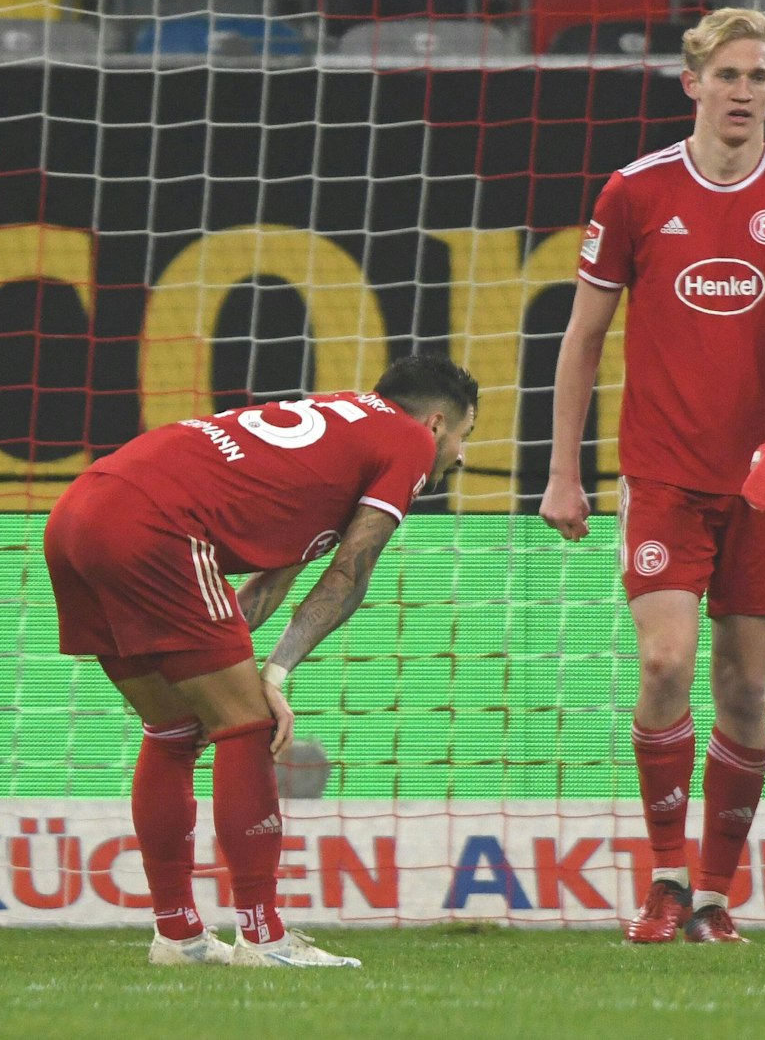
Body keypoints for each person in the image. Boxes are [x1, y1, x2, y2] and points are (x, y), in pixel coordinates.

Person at [539, 7, 765, 946]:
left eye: (760, 76)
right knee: (665, 662)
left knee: (745, 692)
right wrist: (562, 470)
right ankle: (665, 877)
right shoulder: (635, 191)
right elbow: (583, 337)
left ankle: (713, 893)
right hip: (664, 473)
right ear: (693, 83)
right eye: (728, 75)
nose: (745, 91)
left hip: (764, 483)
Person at [46, 354, 479, 967]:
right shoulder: (408, 441)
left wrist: (250, 670)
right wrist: (268, 679)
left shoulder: (339, 427)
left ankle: (178, 936)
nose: (460, 455)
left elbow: (267, 584)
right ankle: (263, 937)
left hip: (78, 513)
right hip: (155, 524)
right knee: (248, 726)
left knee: (173, 729)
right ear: (435, 423)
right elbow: (350, 574)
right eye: (464, 435)